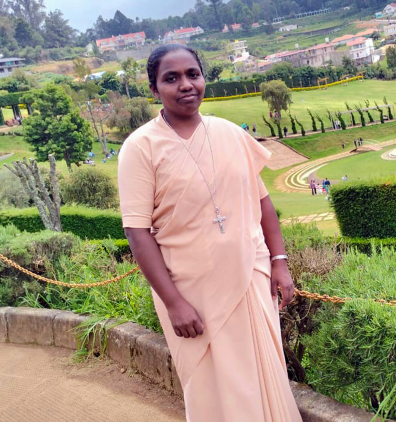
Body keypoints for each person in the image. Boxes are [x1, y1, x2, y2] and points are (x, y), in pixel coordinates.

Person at [117, 44, 302, 422]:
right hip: (192, 296)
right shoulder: (140, 148)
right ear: (154, 89)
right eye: (172, 78)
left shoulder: (230, 133)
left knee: (265, 379)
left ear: (204, 79)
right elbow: (138, 233)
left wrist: (280, 263)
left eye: (193, 74)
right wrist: (173, 304)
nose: (186, 85)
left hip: (251, 277)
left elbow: (263, 203)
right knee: (214, 391)